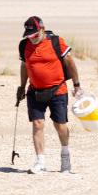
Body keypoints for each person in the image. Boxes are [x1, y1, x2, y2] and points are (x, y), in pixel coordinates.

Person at [16, 16, 82, 174]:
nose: (31, 39)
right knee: (37, 124)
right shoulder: (24, 45)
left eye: (34, 35)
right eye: (28, 35)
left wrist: (77, 85)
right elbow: (25, 66)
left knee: (60, 125)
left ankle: (65, 156)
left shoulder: (56, 42)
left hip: (57, 90)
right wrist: (21, 87)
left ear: (42, 30)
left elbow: (70, 62)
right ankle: (40, 162)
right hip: (35, 91)